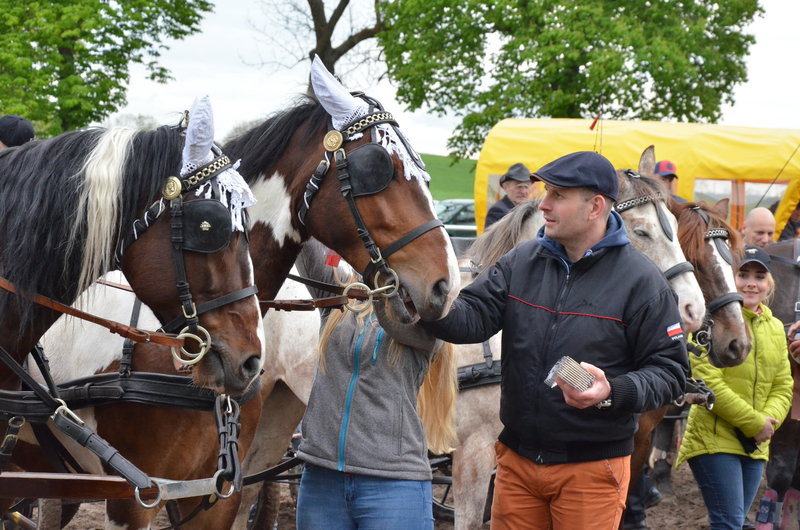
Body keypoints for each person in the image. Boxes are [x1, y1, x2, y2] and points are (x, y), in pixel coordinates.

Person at [423, 150, 688, 529]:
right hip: (516, 465)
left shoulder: (643, 282)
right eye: (546, 192)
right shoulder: (522, 260)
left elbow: (671, 372)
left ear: (595, 206)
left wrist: (611, 390)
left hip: (591, 471)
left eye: (558, 195)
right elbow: (473, 319)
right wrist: (424, 302)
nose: (542, 204)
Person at [294, 239, 458, 530]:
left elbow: (392, 316)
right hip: (322, 479)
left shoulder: (427, 318)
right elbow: (303, 242)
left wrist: (377, 275)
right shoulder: (343, 297)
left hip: (393, 486)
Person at [675, 245, 793, 530]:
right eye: (743, 274)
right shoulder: (710, 321)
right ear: (731, 278)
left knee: (736, 522)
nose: (751, 283)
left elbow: (783, 384)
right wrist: (755, 422)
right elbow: (706, 379)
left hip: (755, 444)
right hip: (713, 441)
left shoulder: (776, 327)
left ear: (769, 283)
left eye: (759, 276)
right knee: (728, 523)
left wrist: (767, 423)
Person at [484, 162, 533, 229]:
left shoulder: (532, 210)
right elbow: (493, 239)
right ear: (505, 187)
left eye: (526, 187)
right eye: (519, 186)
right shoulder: (498, 211)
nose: (523, 191)